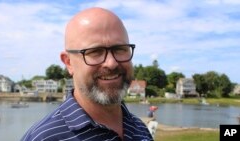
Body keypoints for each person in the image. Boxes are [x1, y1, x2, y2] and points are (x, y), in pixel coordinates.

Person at [21, 7, 153, 141]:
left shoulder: (139, 128)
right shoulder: (43, 138)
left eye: (119, 49)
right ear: (69, 63)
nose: (111, 63)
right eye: (95, 52)